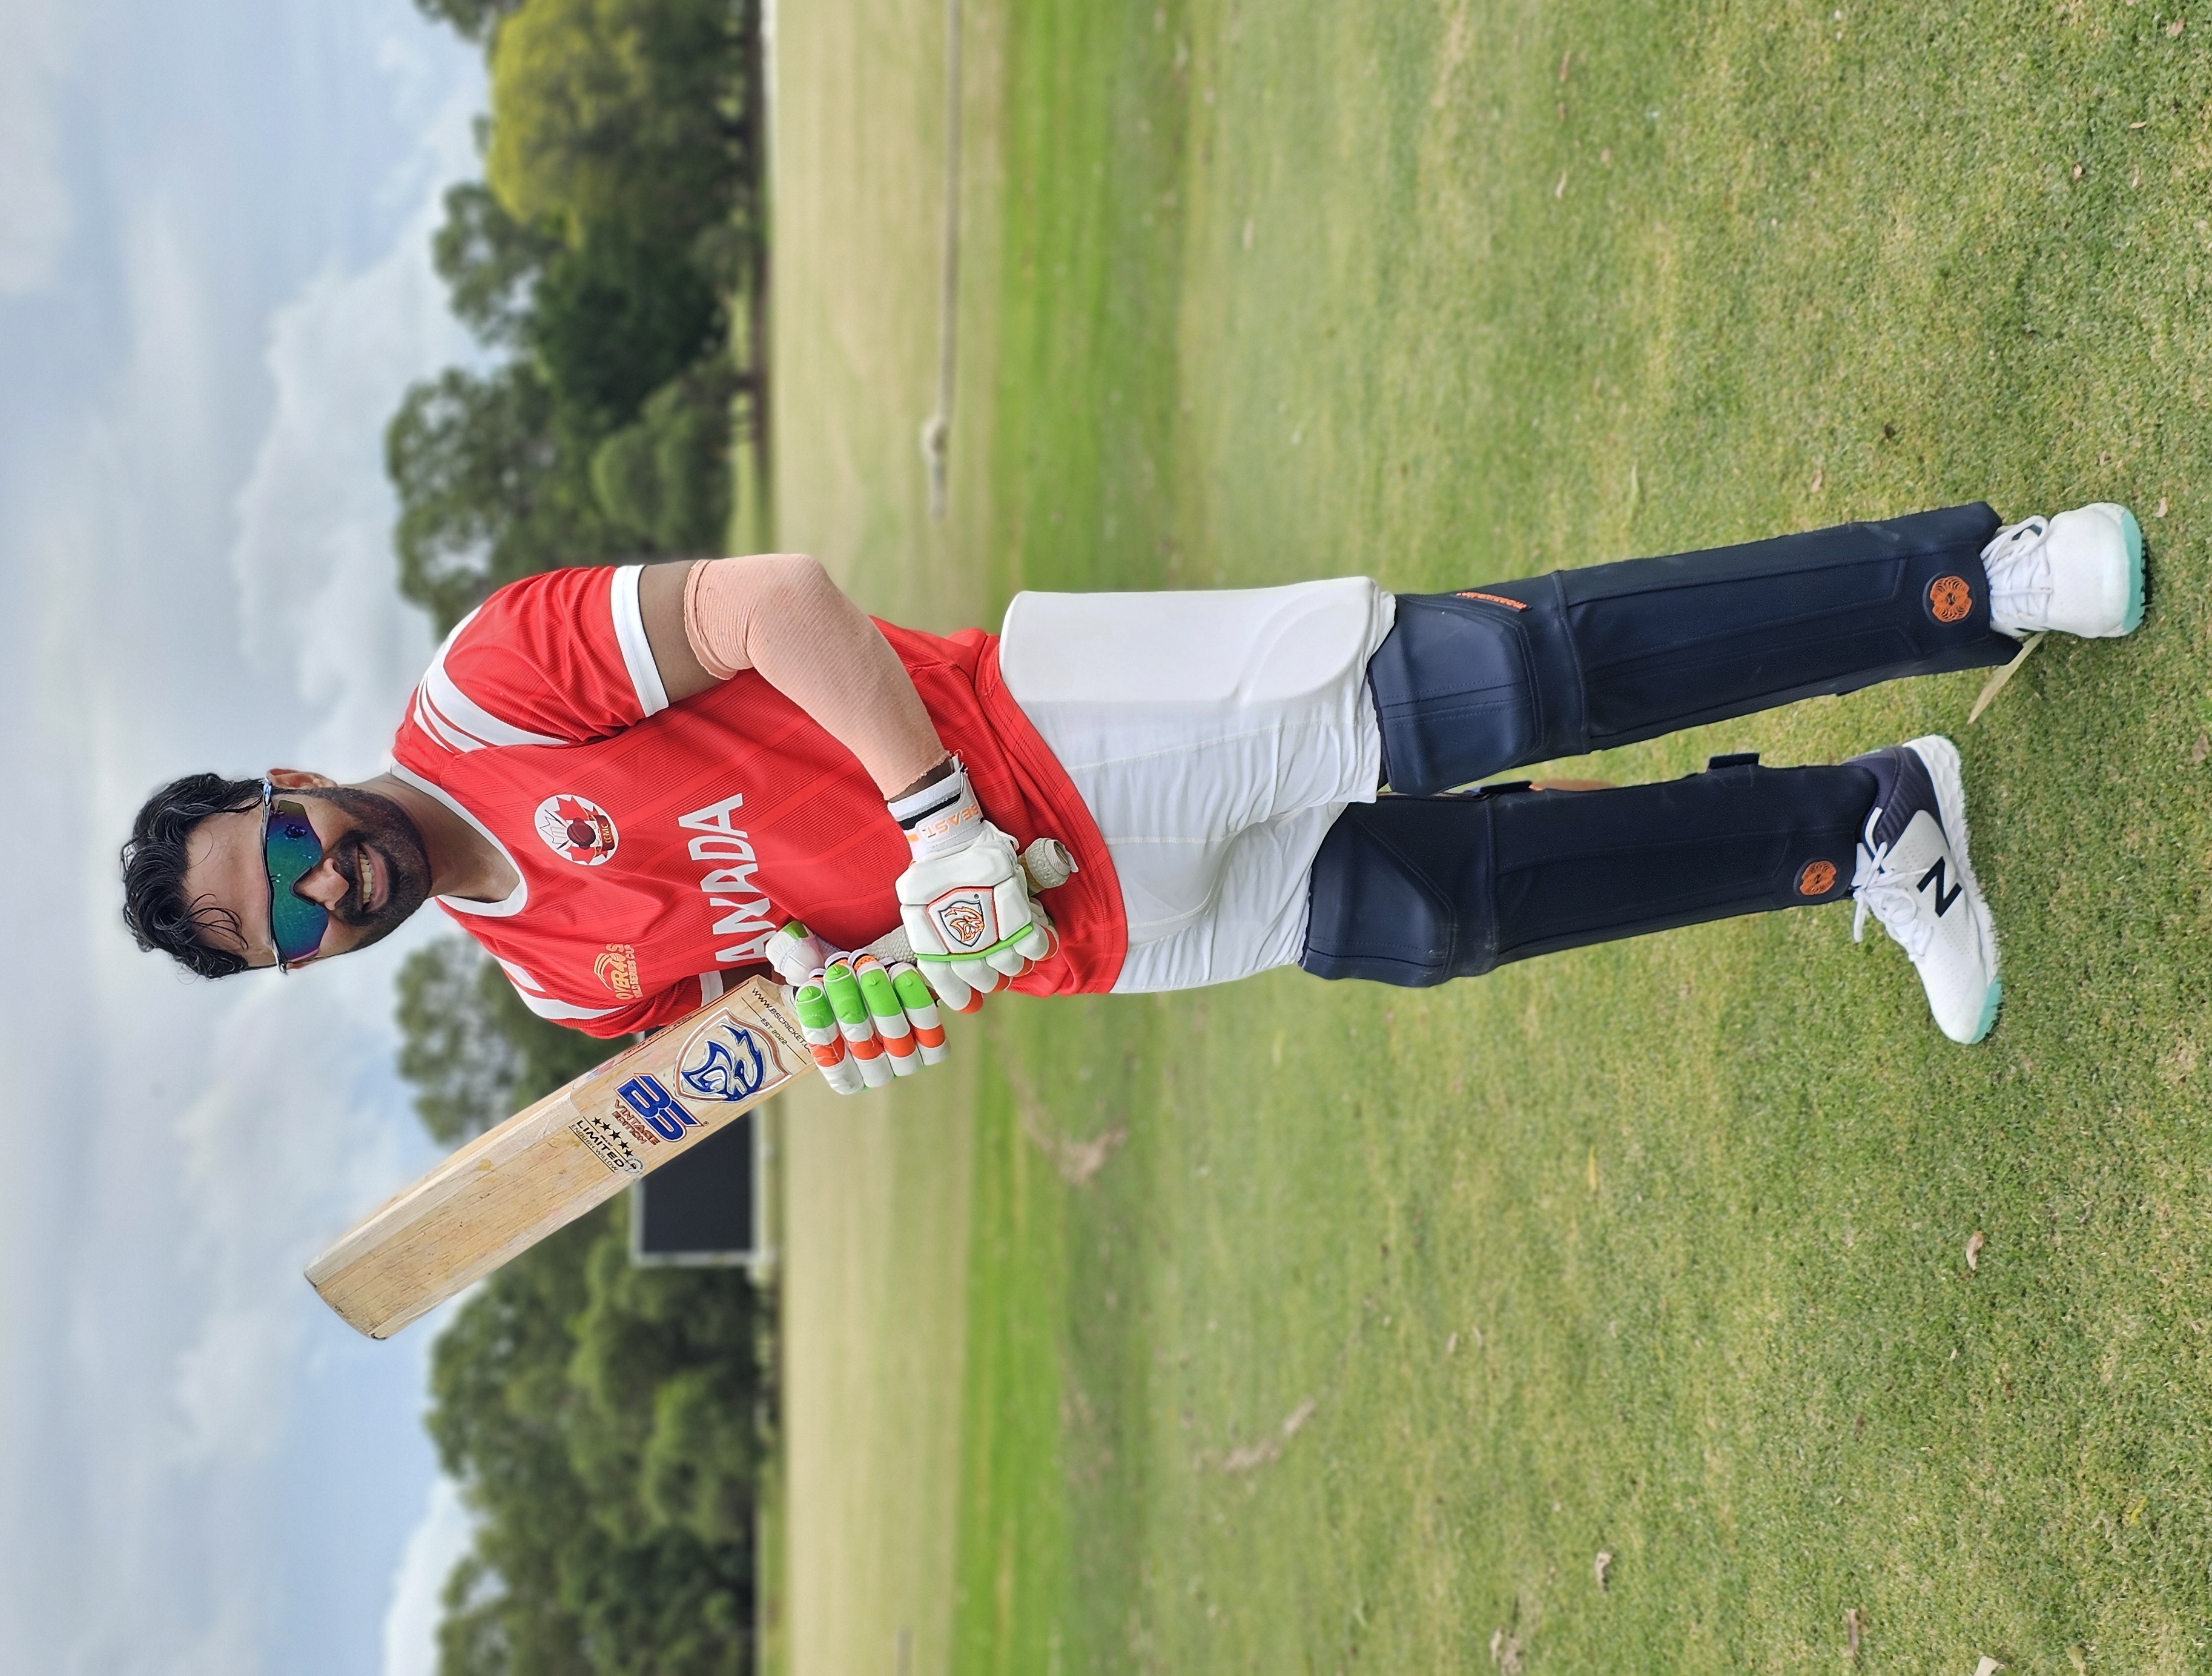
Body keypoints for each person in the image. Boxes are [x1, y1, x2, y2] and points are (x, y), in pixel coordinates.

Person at [120, 500, 2144, 1087]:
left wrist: (924, 821)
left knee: (1512, 677)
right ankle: (1872, 822)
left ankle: (1977, 581)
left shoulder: (487, 695)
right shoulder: (560, 989)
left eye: (283, 850)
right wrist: (867, 1031)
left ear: (293, 780)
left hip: (1068, 737)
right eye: (289, 924)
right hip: (1091, 937)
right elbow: (788, 1016)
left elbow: (773, 604)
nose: (325, 889)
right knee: (1453, 914)